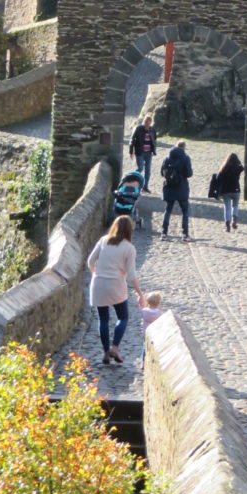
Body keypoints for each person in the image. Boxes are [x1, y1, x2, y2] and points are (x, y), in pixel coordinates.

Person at [87, 214, 144, 366]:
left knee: (103, 319)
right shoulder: (129, 248)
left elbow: (90, 262)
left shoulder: (103, 241)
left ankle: (106, 352)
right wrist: (140, 294)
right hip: (116, 285)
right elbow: (131, 274)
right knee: (123, 317)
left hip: (98, 284)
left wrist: (96, 274)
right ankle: (115, 347)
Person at [161, 140, 193, 240]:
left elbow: (162, 172)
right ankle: (185, 234)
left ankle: (164, 233)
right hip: (181, 187)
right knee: (185, 211)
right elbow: (189, 174)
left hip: (169, 187)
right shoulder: (186, 158)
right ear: (183, 147)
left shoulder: (167, 158)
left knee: (168, 210)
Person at [129, 115, 157, 192]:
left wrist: (153, 151)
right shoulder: (138, 129)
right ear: (143, 122)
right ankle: (132, 182)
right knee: (140, 168)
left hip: (148, 153)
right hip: (140, 152)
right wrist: (131, 152)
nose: (147, 125)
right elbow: (132, 140)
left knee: (148, 171)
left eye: (149, 123)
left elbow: (154, 140)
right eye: (146, 123)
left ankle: (145, 187)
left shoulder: (152, 129)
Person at [217, 151, 244, 232]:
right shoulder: (238, 168)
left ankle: (227, 226)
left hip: (226, 191)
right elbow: (243, 167)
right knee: (235, 206)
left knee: (227, 208)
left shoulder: (224, 169)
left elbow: (218, 178)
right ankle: (234, 221)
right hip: (236, 190)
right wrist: (239, 162)